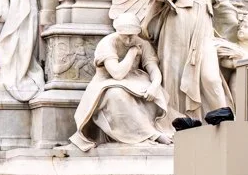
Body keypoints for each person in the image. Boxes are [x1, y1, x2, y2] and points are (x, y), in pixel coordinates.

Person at [149, 0, 239, 124]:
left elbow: (225, 6)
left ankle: (225, 118)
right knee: (174, 72)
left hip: (204, 28)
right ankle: (178, 119)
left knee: (211, 77)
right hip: (178, 23)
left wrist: (241, 21)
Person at [70, 15, 172, 152]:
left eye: (132, 36)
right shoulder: (107, 43)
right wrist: (133, 52)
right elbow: (117, 74)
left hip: (135, 81)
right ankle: (152, 134)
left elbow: (153, 69)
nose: (129, 40)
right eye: (125, 36)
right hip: (106, 83)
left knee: (152, 93)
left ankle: (155, 129)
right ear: (118, 32)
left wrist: (154, 85)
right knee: (116, 95)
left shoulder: (142, 43)